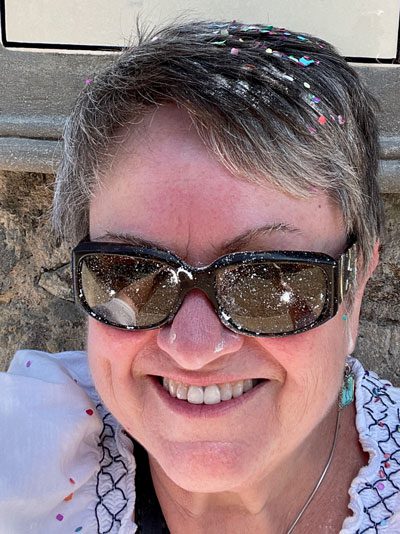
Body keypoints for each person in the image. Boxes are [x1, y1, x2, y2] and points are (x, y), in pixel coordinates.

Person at [0, 20, 398, 533]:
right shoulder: (30, 463)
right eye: (132, 273)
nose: (194, 348)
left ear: (356, 284)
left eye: (266, 280)